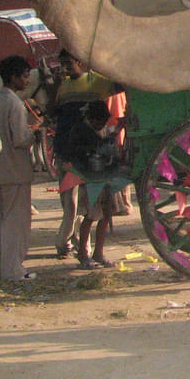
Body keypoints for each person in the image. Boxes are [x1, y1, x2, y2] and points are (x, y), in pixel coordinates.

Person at [52, 49, 120, 259]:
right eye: (62, 64)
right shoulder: (62, 86)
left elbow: (120, 85)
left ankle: (85, 249)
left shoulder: (96, 82)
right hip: (67, 151)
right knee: (70, 205)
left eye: (68, 64)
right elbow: (54, 112)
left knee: (88, 209)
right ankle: (66, 243)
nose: (64, 68)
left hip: (89, 157)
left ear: (80, 62)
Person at [0, 55, 36, 282]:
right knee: (16, 222)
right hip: (15, 170)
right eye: (24, 77)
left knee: (0, 221)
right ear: (13, 77)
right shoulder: (15, 103)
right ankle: (13, 270)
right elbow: (20, 139)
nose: (27, 81)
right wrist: (34, 133)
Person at [61, 99, 119, 269]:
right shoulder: (82, 131)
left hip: (101, 178)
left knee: (105, 215)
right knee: (91, 216)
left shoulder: (93, 130)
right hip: (91, 180)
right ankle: (84, 254)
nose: (102, 125)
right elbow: (96, 149)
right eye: (100, 122)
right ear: (93, 119)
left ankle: (98, 253)